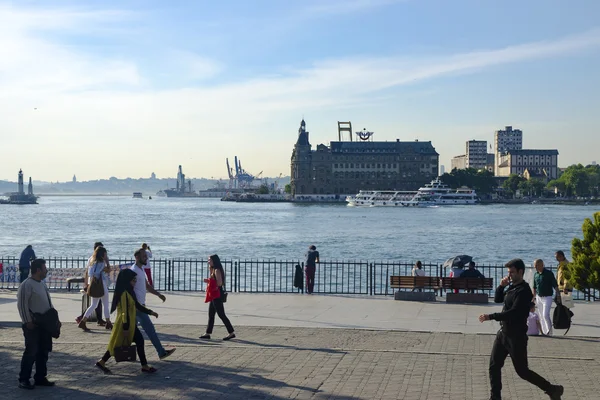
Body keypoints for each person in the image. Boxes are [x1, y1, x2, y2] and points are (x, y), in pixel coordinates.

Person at [479, 258, 564, 400]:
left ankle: (552, 389)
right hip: (503, 334)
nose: (509, 275)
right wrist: (501, 286)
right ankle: (495, 397)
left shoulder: (524, 291)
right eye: (508, 272)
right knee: (494, 366)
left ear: (520, 272)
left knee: (522, 371)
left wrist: (491, 316)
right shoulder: (512, 287)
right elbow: (498, 300)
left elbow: (514, 312)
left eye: (512, 272)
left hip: (516, 336)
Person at [95, 269, 158, 374]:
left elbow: (137, 305)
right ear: (127, 280)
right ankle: (102, 362)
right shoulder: (124, 293)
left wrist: (150, 312)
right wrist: (125, 328)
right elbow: (124, 311)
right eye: (133, 280)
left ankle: (144, 365)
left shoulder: (130, 291)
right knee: (117, 344)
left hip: (130, 323)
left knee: (136, 341)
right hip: (125, 324)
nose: (135, 282)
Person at [17, 259, 57, 389]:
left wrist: (55, 320)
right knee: (31, 352)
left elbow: (49, 304)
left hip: (44, 324)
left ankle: (40, 377)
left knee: (43, 351)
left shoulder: (42, 284)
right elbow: (22, 305)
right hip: (32, 324)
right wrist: (27, 321)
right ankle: (24, 379)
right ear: (38, 270)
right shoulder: (26, 284)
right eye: (45, 268)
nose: (46, 270)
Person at [130, 248, 176, 359]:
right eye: (144, 256)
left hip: (139, 305)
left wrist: (158, 294)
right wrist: (135, 304)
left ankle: (123, 352)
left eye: (146, 256)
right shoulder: (134, 271)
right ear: (137, 257)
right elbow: (130, 288)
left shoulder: (140, 270)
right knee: (150, 330)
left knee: (131, 332)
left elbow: (147, 286)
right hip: (138, 307)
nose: (146, 258)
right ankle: (161, 352)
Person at [199, 254, 236, 340]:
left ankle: (231, 332)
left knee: (221, 314)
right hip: (213, 294)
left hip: (217, 294)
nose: (208, 262)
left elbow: (219, 283)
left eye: (209, 260)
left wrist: (208, 281)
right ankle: (208, 333)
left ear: (214, 261)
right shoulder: (213, 269)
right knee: (211, 314)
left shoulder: (217, 270)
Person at [78, 246, 113, 331]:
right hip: (101, 285)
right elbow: (108, 270)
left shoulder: (92, 262)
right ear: (102, 254)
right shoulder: (101, 263)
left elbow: (91, 273)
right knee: (105, 304)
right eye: (105, 253)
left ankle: (83, 321)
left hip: (93, 285)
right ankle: (108, 322)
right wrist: (107, 262)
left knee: (93, 304)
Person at [76, 242, 106, 326]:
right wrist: (86, 284)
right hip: (94, 284)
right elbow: (89, 272)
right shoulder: (94, 260)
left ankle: (97, 319)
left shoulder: (94, 259)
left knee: (96, 303)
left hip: (93, 283)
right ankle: (82, 318)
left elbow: (88, 272)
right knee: (96, 303)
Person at [532, 259, 560, 336]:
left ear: (542, 265)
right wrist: (533, 298)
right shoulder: (536, 274)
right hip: (538, 297)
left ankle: (549, 331)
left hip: (547, 297)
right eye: (535, 266)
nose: (535, 267)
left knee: (545, 315)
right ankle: (544, 331)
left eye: (537, 266)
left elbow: (555, 285)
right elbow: (534, 287)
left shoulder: (549, 273)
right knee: (540, 315)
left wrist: (558, 295)